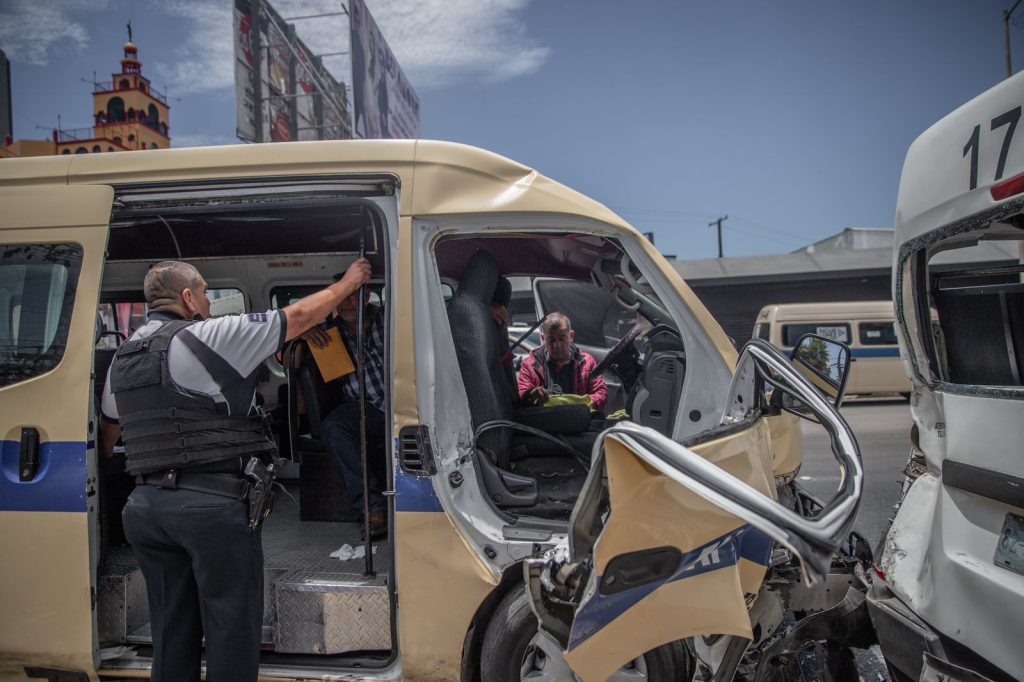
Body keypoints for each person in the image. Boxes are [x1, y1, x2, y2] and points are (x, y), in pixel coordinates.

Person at [98, 258, 372, 682]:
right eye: (205, 293)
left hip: (145, 510)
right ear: (188, 298)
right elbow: (296, 316)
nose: (209, 302)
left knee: (171, 630)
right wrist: (350, 282)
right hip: (211, 508)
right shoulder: (209, 337)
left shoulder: (123, 358)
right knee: (230, 628)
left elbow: (111, 434)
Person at [301, 274, 387, 538]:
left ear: (367, 297)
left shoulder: (391, 318)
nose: (347, 304)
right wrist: (304, 330)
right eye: (342, 298)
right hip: (362, 407)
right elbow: (282, 323)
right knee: (334, 427)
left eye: (353, 297)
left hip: (404, 400)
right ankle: (372, 508)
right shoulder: (329, 330)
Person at [517, 312, 607, 412]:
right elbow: (522, 393)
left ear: (571, 336)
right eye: (551, 340)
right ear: (543, 339)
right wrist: (531, 394)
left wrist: (582, 406)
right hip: (543, 424)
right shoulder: (530, 365)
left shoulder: (587, 362)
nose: (557, 345)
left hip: (579, 422)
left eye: (561, 338)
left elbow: (601, 393)